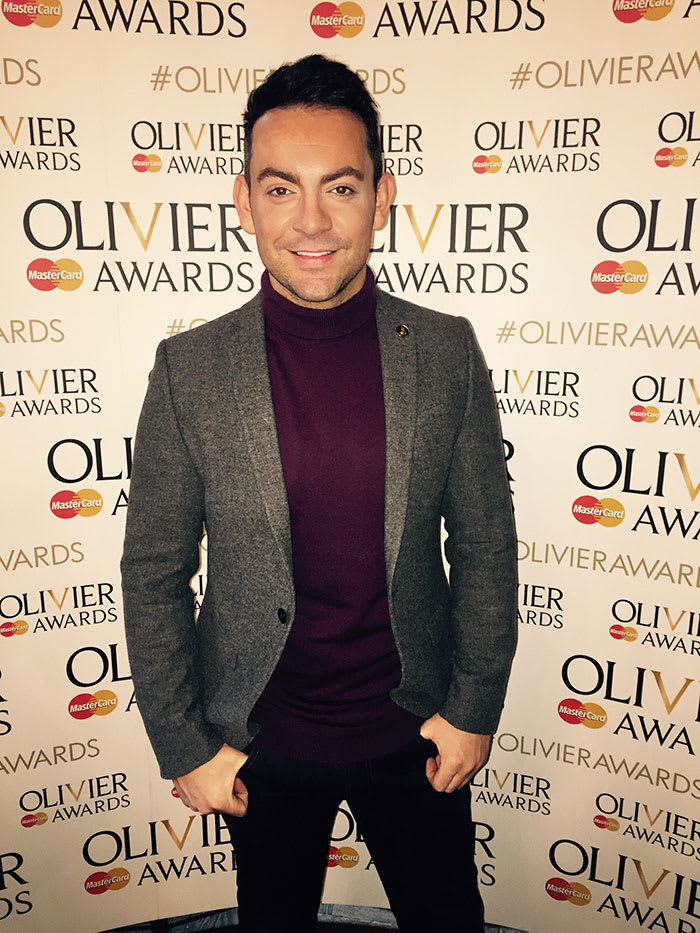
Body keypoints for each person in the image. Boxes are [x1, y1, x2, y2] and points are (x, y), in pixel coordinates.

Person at [121, 53, 517, 933]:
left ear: (381, 197)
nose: (310, 221)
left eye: (340, 188)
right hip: (263, 741)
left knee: (447, 919)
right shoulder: (189, 369)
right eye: (279, 189)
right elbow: (152, 569)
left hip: (415, 729)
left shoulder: (445, 350)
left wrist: (471, 706)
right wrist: (185, 744)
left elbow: (487, 542)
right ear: (243, 201)